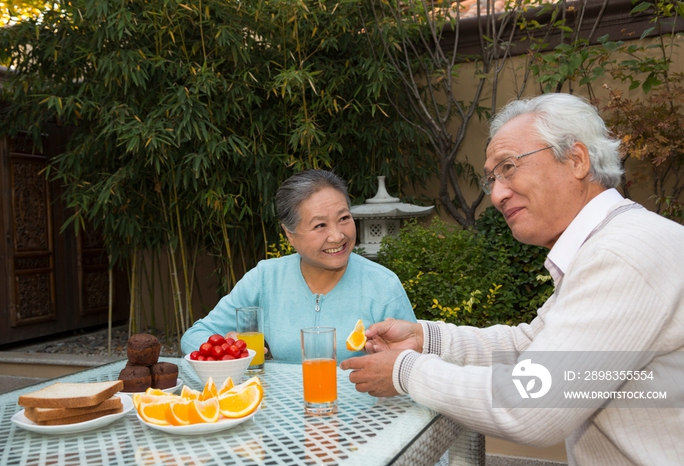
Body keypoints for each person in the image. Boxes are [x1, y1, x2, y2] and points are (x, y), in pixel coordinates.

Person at [341, 93, 684, 465]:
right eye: (492, 178)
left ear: (576, 159)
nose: (498, 194)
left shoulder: (620, 254)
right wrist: (426, 339)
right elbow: (530, 346)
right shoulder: (611, 242)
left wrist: (406, 371)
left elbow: (531, 405)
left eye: (509, 167)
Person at [181, 169, 416, 363]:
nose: (337, 236)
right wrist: (227, 347)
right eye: (320, 225)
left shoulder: (383, 285)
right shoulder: (266, 278)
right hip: (280, 411)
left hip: (362, 415)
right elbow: (194, 337)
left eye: (344, 218)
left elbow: (413, 362)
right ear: (289, 235)